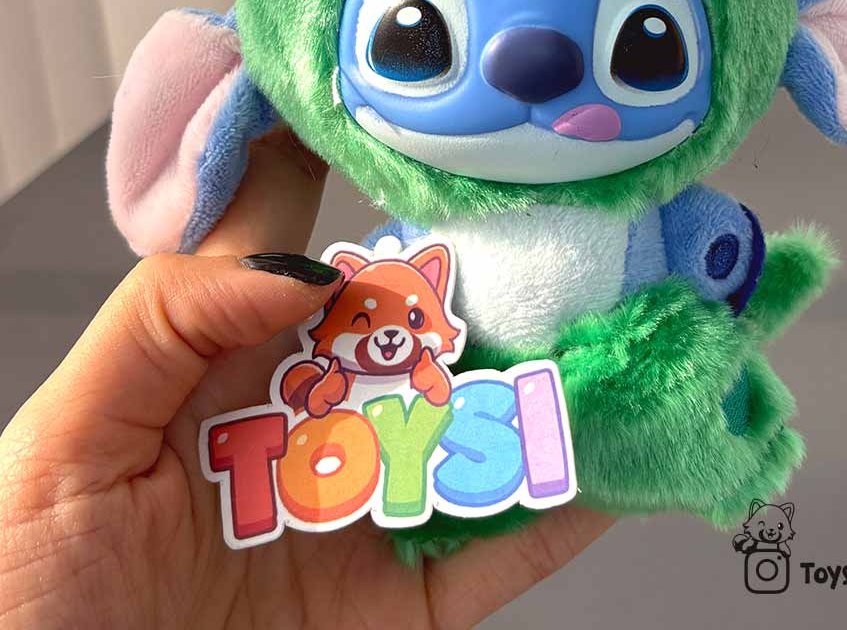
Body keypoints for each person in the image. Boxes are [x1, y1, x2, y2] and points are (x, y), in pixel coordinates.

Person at [0, 129, 612, 627]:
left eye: (412, 320)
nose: (390, 337)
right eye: (366, 321)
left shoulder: (426, 355)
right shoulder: (326, 376)